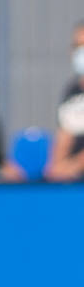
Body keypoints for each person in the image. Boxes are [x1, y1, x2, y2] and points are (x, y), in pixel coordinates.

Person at [45, 22, 84, 181]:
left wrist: (76, 165)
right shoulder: (72, 91)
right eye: (77, 46)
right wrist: (58, 167)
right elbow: (65, 136)